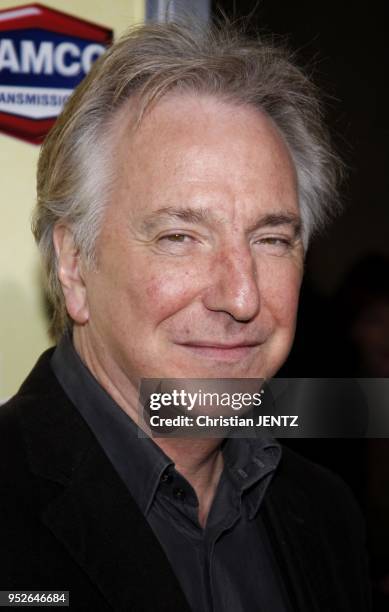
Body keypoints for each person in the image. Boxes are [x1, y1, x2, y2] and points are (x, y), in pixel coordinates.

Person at [0, 20, 370, 611]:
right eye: (180, 236)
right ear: (74, 266)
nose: (242, 297)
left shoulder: (326, 513)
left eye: (272, 240)